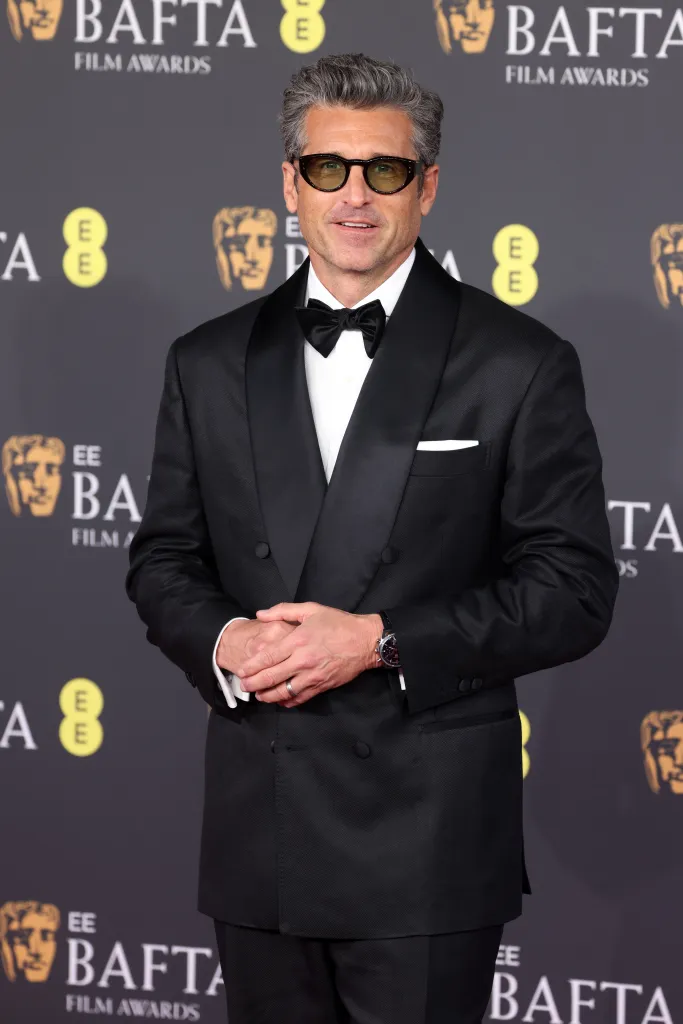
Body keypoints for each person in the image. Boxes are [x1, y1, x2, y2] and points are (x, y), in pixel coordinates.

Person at [126, 52, 618, 1024]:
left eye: (383, 171)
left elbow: (572, 590)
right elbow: (164, 560)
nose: (353, 197)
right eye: (326, 169)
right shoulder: (208, 360)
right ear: (287, 183)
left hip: (423, 848)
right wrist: (223, 642)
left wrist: (381, 636)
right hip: (257, 838)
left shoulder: (517, 363)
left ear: (425, 185)